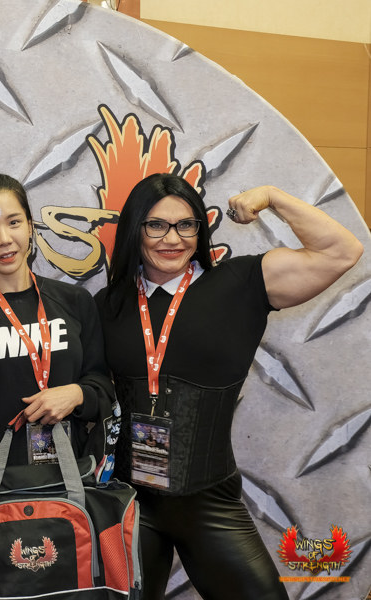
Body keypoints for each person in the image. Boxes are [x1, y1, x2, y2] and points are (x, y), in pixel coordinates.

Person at [94, 173, 363, 599]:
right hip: (129, 503)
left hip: (209, 505)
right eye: (156, 225)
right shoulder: (108, 304)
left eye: (186, 225)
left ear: (200, 229)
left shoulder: (242, 283)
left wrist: (273, 195)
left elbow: (343, 251)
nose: (172, 238)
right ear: (134, 229)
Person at [0, 173, 117, 475]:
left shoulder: (75, 301)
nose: (4, 239)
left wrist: (77, 394)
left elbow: (103, 389)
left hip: (67, 482)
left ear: (30, 226)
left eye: (13, 222)